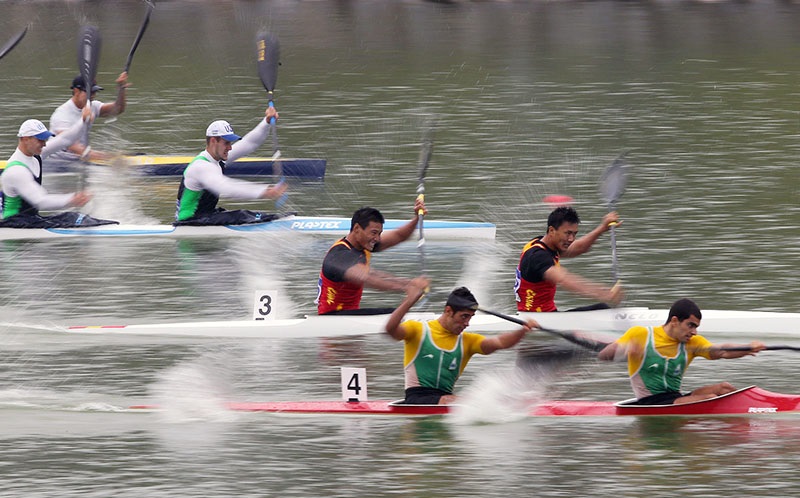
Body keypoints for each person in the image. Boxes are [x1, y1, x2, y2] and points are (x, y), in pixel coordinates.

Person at [384, 284, 540, 405]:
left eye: (470, 317)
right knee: (461, 401)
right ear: (448, 311)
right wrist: (409, 301)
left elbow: (499, 342)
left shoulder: (467, 341)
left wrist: (522, 331)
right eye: (464, 317)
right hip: (416, 399)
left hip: (446, 399)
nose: (467, 323)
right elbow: (390, 329)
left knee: (478, 399)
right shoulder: (417, 329)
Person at [597, 298, 766, 405]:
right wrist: (624, 349)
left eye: (696, 327)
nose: (694, 332)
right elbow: (604, 355)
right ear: (675, 321)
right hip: (650, 402)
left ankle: (757, 409)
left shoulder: (692, 343)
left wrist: (747, 348)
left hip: (675, 398)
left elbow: (722, 351)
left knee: (724, 388)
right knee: (708, 399)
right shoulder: (641, 335)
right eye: (690, 325)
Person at [0, 108, 117, 228]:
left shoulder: (36, 155)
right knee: (74, 220)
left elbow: (64, 140)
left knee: (74, 217)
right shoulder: (16, 171)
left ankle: (112, 226)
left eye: (45, 140)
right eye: (40, 140)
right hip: (14, 223)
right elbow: (41, 201)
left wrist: (82, 121)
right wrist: (72, 199)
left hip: (31, 219)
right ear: (25, 139)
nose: (44, 144)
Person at [174, 107, 288, 226]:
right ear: (213, 141)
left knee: (251, 215)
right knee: (241, 215)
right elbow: (225, 187)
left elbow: (249, 143)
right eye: (226, 143)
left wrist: (266, 122)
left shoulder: (217, 159)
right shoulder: (201, 167)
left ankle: (275, 220)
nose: (230, 147)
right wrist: (264, 191)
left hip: (205, 216)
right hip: (189, 221)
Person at [316, 204, 428, 315]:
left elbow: (399, 236)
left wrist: (417, 218)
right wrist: (407, 285)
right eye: (374, 233)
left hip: (350, 314)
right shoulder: (340, 255)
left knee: (396, 314)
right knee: (395, 314)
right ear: (357, 229)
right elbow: (368, 277)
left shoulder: (363, 245)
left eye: (379, 234)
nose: (377, 238)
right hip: (332, 317)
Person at [514, 206, 623, 312]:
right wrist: (604, 293)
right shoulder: (538, 256)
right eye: (568, 233)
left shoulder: (544, 244)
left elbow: (579, 247)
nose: (571, 239)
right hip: (537, 319)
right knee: (603, 309)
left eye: (574, 234)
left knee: (602, 309)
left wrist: (602, 228)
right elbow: (565, 280)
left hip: (544, 314)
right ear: (551, 230)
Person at [48, 72, 129, 163]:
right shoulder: (62, 115)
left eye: (94, 92)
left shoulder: (92, 106)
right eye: (89, 92)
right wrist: (110, 158)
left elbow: (118, 109)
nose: (93, 95)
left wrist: (121, 89)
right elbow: (75, 149)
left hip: (78, 159)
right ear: (76, 91)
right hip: (58, 162)